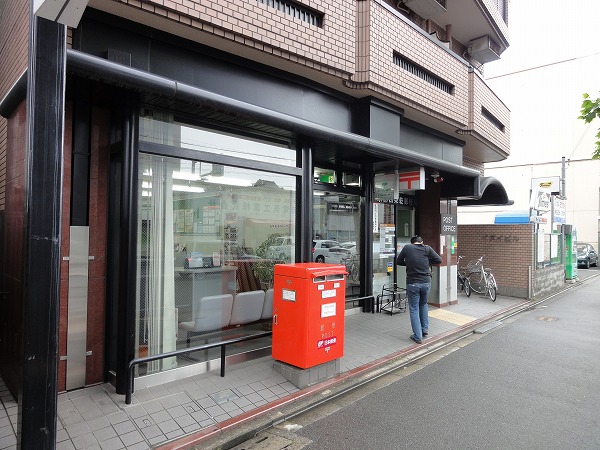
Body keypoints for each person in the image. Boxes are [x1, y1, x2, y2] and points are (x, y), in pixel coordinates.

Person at [396, 235, 442, 344]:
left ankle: (418, 336)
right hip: (426, 282)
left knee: (414, 308)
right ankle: (424, 330)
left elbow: (398, 261)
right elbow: (439, 260)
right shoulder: (427, 248)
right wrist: (427, 262)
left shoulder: (407, 248)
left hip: (413, 283)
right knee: (423, 304)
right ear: (422, 242)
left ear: (412, 243)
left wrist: (409, 263)